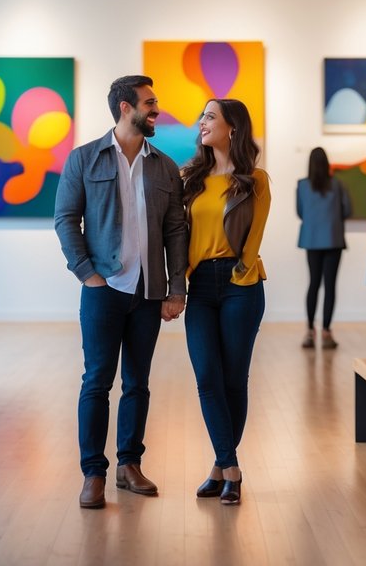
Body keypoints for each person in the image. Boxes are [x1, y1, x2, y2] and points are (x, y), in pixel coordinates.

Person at [54, 76, 188, 510]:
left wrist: (176, 287)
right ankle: (93, 472)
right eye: (150, 103)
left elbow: (175, 230)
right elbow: (65, 219)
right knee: (96, 381)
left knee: (138, 383)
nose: (157, 110)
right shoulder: (84, 159)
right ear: (125, 106)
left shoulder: (165, 166)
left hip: (148, 293)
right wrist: (87, 274)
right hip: (103, 290)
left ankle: (129, 465)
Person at [181, 98, 271, 506]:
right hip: (198, 285)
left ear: (232, 127)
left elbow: (253, 240)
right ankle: (230, 466)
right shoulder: (191, 179)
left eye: (210, 117)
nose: (202, 123)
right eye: (203, 117)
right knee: (206, 378)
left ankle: (221, 467)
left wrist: (241, 271)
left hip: (241, 282)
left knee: (234, 380)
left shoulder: (255, 179)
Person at [296, 147, 352, 349]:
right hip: (333, 239)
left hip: (311, 240)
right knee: (330, 286)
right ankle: (327, 332)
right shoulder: (337, 185)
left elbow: (300, 212)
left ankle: (310, 331)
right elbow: (347, 210)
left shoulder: (302, 185)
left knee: (313, 284)